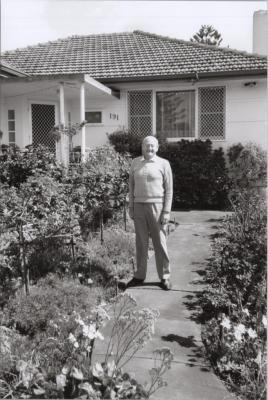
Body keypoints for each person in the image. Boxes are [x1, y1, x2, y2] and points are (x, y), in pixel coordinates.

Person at [128, 135, 173, 290]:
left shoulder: (163, 164)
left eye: (153, 146)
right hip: (139, 206)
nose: (150, 148)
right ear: (142, 147)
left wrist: (166, 211)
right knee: (141, 243)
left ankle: (165, 277)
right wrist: (131, 207)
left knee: (160, 243)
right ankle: (139, 275)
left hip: (157, 207)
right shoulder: (135, 163)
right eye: (147, 145)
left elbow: (169, 190)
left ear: (157, 148)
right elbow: (131, 186)